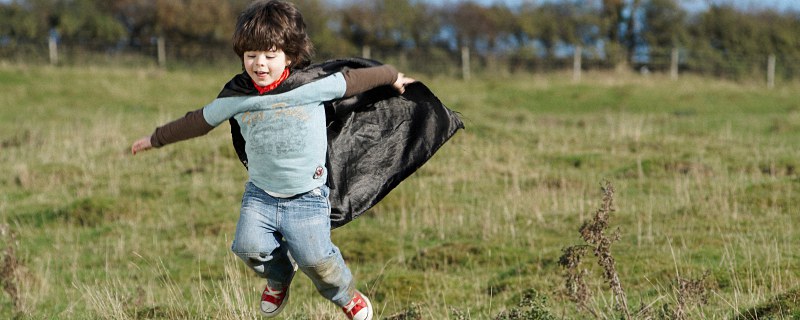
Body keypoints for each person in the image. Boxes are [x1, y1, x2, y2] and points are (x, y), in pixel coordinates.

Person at [130, 1, 416, 319]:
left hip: (307, 197)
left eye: (269, 55)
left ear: (290, 56)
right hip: (261, 194)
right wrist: (155, 139)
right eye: (251, 56)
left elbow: (355, 79)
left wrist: (391, 76)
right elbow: (199, 121)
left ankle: (345, 295)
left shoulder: (312, 86)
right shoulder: (237, 96)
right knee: (247, 247)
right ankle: (279, 277)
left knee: (317, 260)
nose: (259, 64)